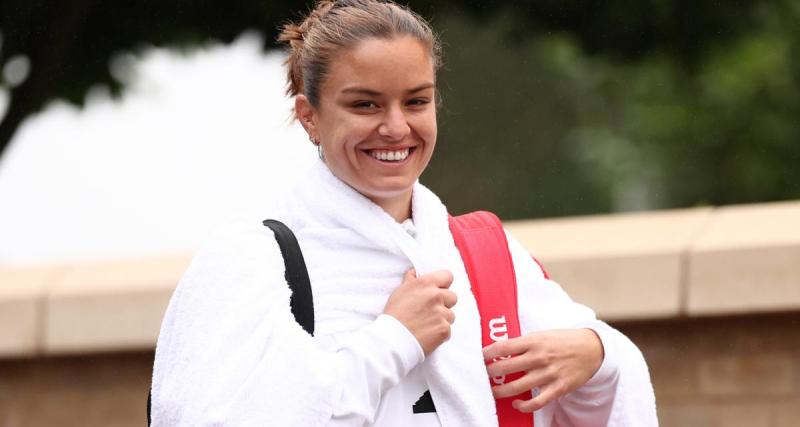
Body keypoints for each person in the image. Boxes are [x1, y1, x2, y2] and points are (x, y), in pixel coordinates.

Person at [150, 0, 658, 425]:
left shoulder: (480, 252)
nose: (396, 128)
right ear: (310, 116)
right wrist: (393, 340)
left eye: (416, 102)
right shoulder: (250, 259)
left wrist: (598, 354)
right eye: (365, 105)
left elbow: (597, 385)